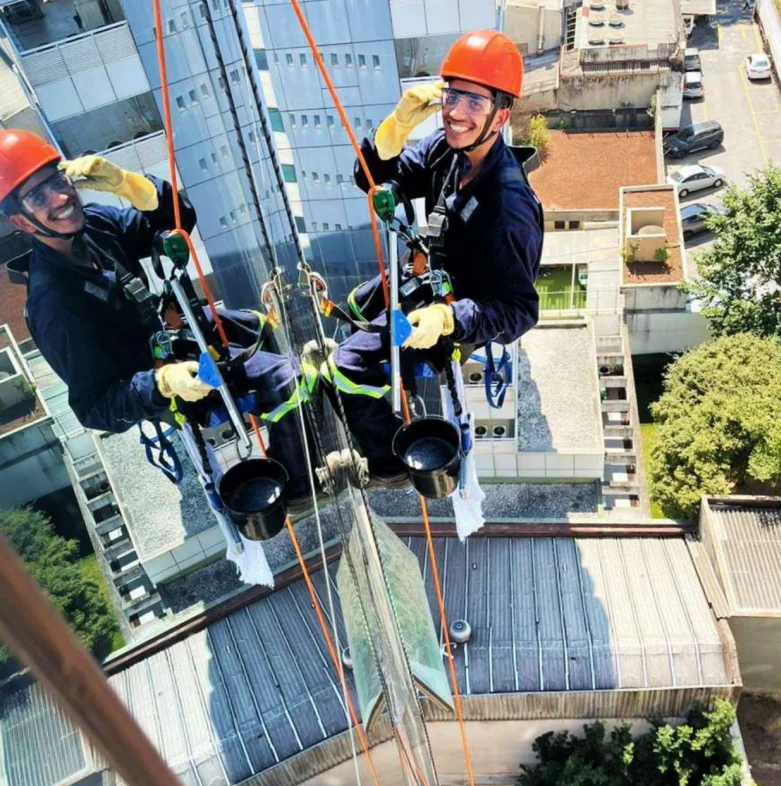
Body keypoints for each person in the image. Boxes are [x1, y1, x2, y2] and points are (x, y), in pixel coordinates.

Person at [0, 129, 316, 505]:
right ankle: (298, 488)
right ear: (22, 222)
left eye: (57, 179)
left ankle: (304, 410)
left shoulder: (95, 226)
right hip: (163, 384)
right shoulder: (55, 305)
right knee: (286, 377)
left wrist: (129, 185)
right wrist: (163, 382)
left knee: (257, 325)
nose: (61, 197)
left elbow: (178, 221)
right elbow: (94, 407)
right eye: (38, 195)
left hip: (169, 335)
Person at [327, 29, 544, 481]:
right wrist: (397, 126)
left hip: (459, 313)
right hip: (432, 279)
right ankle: (380, 376)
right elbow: (377, 180)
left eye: (474, 102)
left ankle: (388, 462)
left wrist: (448, 320)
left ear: (501, 116)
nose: (455, 113)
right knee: (354, 309)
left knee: (345, 368)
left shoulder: (508, 206)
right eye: (452, 95)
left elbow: (519, 309)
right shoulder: (449, 150)